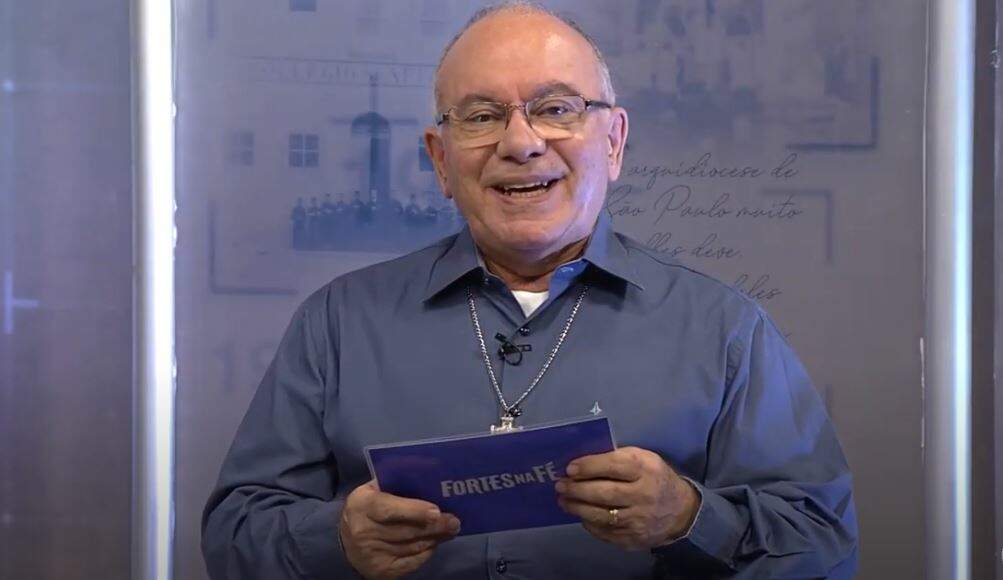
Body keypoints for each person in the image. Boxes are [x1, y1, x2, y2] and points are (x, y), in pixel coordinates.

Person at [202, 3, 858, 579]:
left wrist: (689, 518)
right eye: (482, 116)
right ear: (440, 159)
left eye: (555, 109)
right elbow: (234, 538)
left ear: (613, 142)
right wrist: (337, 541)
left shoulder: (725, 328)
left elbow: (823, 546)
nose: (520, 143)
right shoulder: (338, 322)